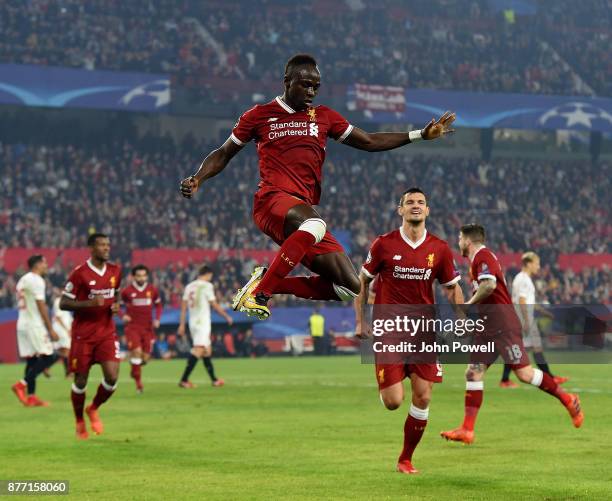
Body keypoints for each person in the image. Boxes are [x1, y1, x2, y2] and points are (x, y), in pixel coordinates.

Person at [180, 53, 455, 320]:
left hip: (301, 210)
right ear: (287, 81)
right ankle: (260, 295)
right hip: (271, 200)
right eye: (305, 84)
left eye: (316, 86)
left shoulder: (323, 116)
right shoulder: (259, 115)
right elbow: (224, 152)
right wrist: (198, 178)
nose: (312, 91)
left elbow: (369, 141)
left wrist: (419, 135)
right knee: (315, 225)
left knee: (350, 287)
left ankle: (266, 282)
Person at [440, 224, 583, 445]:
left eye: (459, 238)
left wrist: (467, 305)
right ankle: (467, 430)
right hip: (488, 328)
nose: (457, 242)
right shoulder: (478, 260)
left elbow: (488, 286)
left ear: (467, 241)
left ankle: (568, 399)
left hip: (503, 326)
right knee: (473, 373)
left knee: (524, 374)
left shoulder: (483, 257)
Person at [354, 188, 464, 474]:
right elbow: (362, 283)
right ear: (400, 209)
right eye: (410, 203)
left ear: (427, 211)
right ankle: (387, 384)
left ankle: (406, 459)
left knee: (424, 396)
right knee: (393, 402)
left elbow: (452, 288)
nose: (416, 206)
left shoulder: (439, 248)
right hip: (390, 329)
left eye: (421, 203)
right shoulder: (383, 244)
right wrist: (360, 320)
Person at [60, 233, 122, 440]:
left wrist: (116, 305)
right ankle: (79, 421)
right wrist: (88, 304)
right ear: (91, 248)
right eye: (102, 245)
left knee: (112, 377)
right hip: (83, 336)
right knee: (80, 380)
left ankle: (93, 407)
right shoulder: (79, 273)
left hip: (106, 332)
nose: (106, 248)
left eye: (108, 244)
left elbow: (117, 291)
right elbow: (63, 303)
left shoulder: (115, 270)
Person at [499, 252, 568, 388]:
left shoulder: (524, 279)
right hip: (524, 320)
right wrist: (525, 321)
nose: (538, 266)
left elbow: (530, 302)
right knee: (527, 349)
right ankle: (549, 378)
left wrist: (545, 312)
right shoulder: (523, 279)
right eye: (537, 263)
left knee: (530, 348)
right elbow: (522, 301)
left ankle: (506, 379)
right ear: (529, 264)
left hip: (524, 318)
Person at [11, 255, 58, 407]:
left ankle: (31, 397)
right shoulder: (37, 280)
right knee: (50, 356)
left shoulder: (22, 280)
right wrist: (50, 328)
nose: (46, 265)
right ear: (37, 264)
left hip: (22, 324)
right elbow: (41, 305)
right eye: (45, 263)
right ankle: (21, 384)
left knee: (32, 360)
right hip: (34, 324)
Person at [178, 265, 233, 388]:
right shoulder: (207, 286)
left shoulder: (189, 286)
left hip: (192, 322)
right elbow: (214, 304)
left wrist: (182, 324)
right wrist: (226, 316)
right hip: (202, 322)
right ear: (208, 274)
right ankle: (184, 380)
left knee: (207, 351)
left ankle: (214, 380)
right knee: (199, 350)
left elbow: (183, 308)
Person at [121, 265, 162, 393]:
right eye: (138, 275)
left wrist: (157, 319)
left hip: (148, 328)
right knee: (136, 352)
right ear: (133, 277)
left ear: (147, 276)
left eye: (144, 275)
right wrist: (123, 315)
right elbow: (116, 305)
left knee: (145, 358)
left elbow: (158, 305)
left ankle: (135, 369)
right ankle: (139, 385)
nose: (141, 278)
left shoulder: (152, 290)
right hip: (132, 327)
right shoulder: (126, 291)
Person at [52, 287, 72, 377]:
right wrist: (66, 329)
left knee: (61, 351)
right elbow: (58, 317)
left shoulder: (65, 302)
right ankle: (68, 373)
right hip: (61, 329)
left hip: (63, 329)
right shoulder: (58, 301)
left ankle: (46, 366)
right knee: (66, 350)